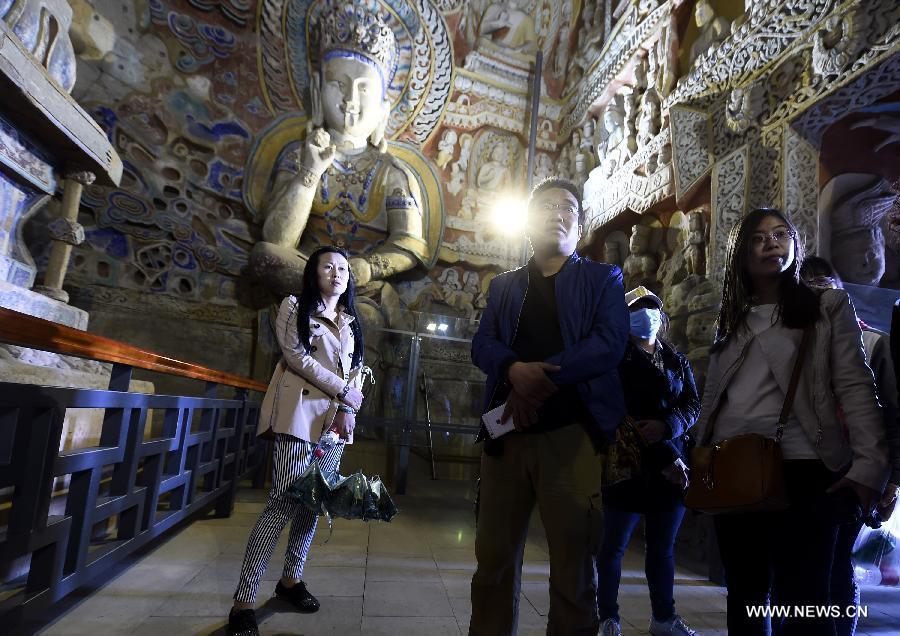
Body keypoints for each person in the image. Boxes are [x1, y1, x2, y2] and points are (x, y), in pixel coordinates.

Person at [694, 208, 889, 635]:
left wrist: (870, 469)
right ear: (741, 252)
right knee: (745, 596)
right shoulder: (731, 320)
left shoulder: (827, 306)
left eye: (781, 234)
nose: (772, 243)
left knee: (803, 601)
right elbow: (713, 398)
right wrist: (698, 455)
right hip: (734, 469)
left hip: (805, 468)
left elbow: (858, 387)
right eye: (759, 237)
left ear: (796, 246)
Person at [468, 177, 629, 635]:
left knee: (574, 564)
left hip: (572, 435)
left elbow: (609, 343)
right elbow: (483, 344)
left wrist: (536, 377)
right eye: (545, 206)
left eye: (568, 208)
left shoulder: (603, 278)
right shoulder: (504, 286)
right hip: (506, 438)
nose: (556, 213)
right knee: (493, 559)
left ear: (579, 227)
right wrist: (512, 370)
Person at [228, 246, 366, 636]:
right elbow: (296, 356)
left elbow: (356, 371)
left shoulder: (351, 320)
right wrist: (344, 391)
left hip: (333, 423)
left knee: (313, 504)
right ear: (313, 272)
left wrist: (349, 410)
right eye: (328, 266)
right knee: (283, 504)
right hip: (298, 417)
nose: (337, 273)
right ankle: (243, 601)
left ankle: (291, 580)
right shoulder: (293, 306)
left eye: (343, 268)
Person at [799, 256, 899, 636]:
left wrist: (891, 480)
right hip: (800, 466)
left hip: (853, 471)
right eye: (812, 289)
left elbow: (893, 413)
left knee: (837, 562)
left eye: (828, 287)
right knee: (803, 564)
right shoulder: (790, 344)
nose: (823, 296)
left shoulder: (874, 342)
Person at [598, 286, 700, 636]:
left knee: (662, 549)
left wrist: (670, 426)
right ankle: (608, 617)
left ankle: (663, 617)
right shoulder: (616, 360)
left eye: (652, 307)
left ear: (662, 316)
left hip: (673, 470)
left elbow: (691, 405)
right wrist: (667, 455)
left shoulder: (677, 360)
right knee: (612, 547)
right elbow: (626, 415)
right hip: (630, 465)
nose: (647, 314)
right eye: (638, 308)